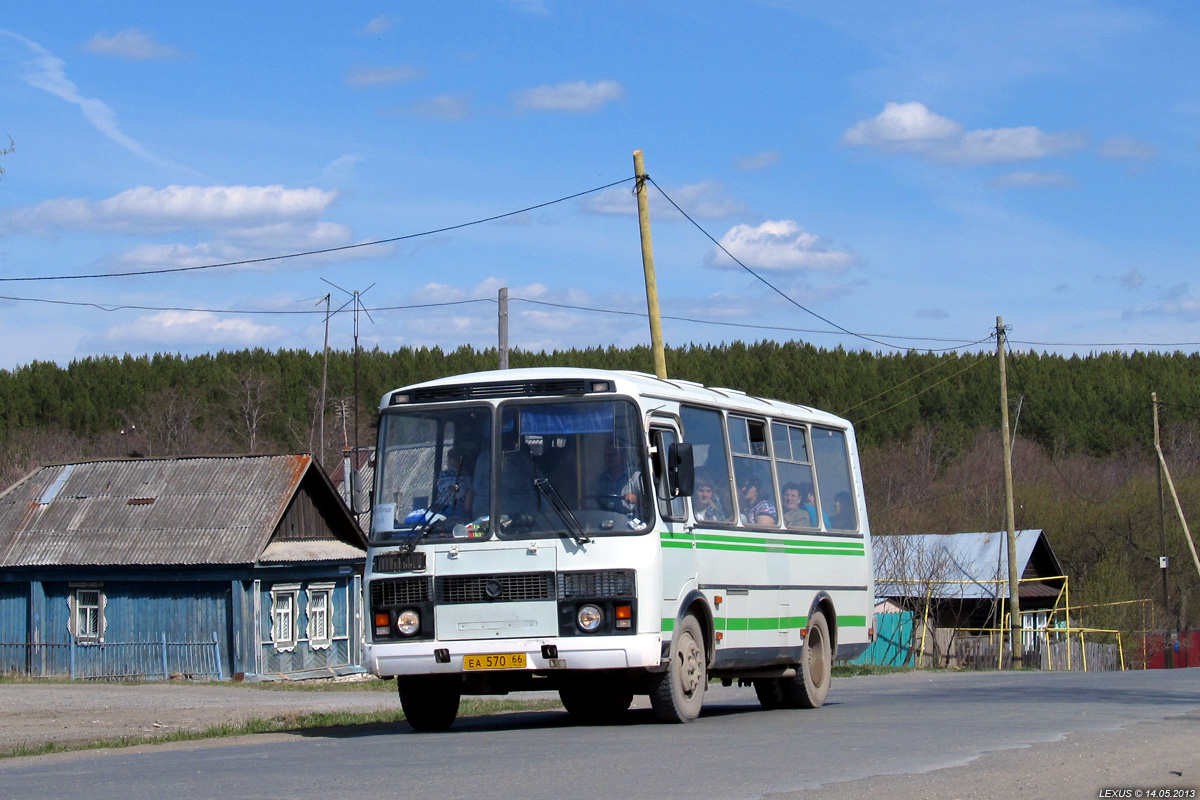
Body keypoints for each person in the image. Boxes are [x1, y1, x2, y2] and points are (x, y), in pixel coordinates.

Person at [595, 442, 640, 513]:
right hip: (606, 518)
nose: (610, 458)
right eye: (607, 455)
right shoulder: (600, 480)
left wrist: (636, 498)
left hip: (629, 520)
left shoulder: (635, 477)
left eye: (613, 455)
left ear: (623, 456)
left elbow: (647, 501)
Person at [432, 447, 473, 518]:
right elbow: (467, 503)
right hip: (455, 510)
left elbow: (436, 492)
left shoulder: (439, 476)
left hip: (437, 510)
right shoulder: (467, 478)